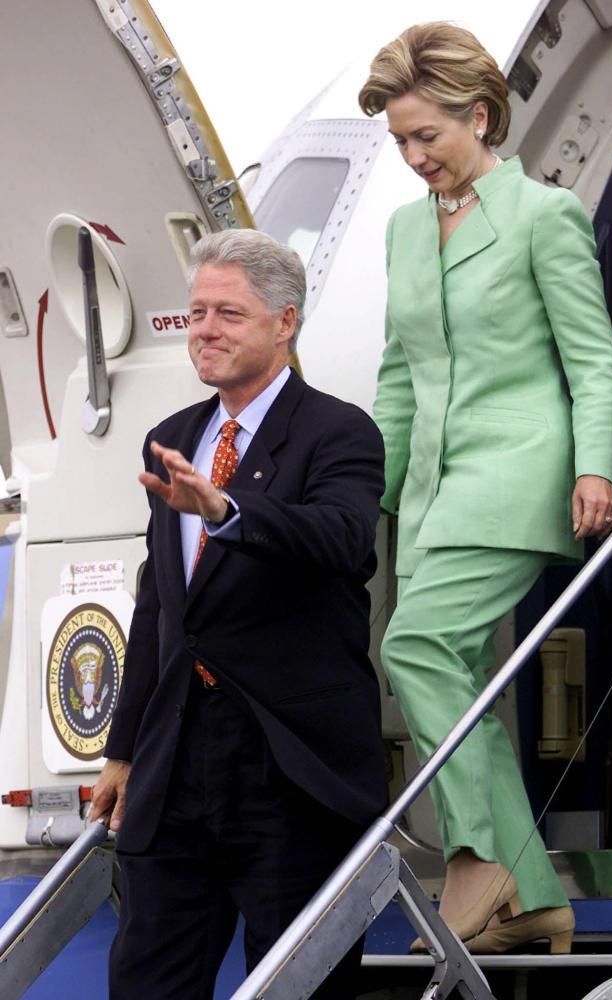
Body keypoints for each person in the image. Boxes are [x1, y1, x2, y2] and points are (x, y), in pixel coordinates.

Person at [358, 22, 612, 954]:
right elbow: (398, 376)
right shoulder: (400, 230)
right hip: (431, 488)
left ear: (480, 115)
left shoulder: (543, 216)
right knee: (454, 678)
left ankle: (481, 856)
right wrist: (365, 497)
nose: (413, 156)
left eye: (427, 135)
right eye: (399, 141)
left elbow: (592, 362)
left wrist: (595, 465)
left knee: (416, 647)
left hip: (515, 471)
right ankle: (536, 889)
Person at [90, 228, 388, 998]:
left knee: (298, 986)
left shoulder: (338, 430)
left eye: (228, 313)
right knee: (148, 980)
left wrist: (225, 508)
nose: (205, 332)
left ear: (284, 323)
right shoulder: (173, 438)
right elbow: (160, 608)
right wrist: (124, 751)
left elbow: (345, 539)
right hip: (177, 762)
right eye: (195, 314)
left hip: (288, 768)